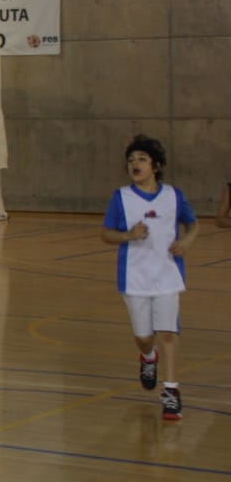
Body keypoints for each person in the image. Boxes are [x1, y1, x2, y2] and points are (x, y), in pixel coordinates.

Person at [98, 134, 198, 421]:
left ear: (156, 166)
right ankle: (148, 356)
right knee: (144, 337)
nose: (135, 164)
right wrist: (128, 235)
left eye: (142, 159)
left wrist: (187, 241)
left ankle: (171, 392)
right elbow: (105, 234)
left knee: (168, 333)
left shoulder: (173, 196)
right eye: (131, 160)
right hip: (134, 278)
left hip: (167, 276)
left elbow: (193, 224)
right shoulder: (121, 198)